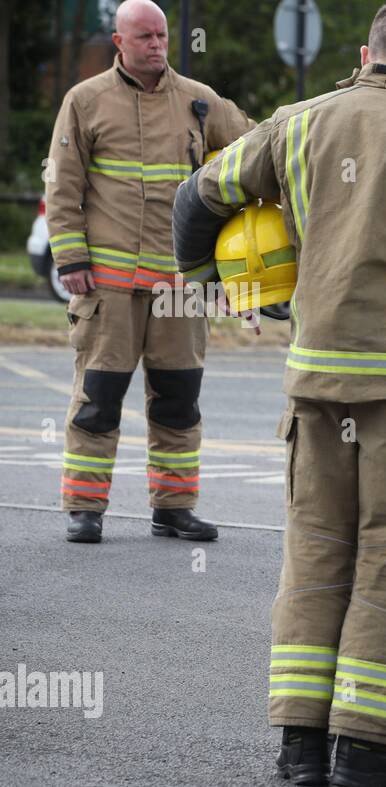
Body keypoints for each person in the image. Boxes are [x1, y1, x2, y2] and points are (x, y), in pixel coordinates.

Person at [172, 1, 386, 787]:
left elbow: (194, 204)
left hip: (311, 396)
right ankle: (368, 748)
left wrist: (227, 290)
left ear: (363, 54)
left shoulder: (296, 125)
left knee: (315, 557)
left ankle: (300, 747)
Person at [47, 0, 253, 544]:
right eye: (144, 36)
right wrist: (70, 259)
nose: (157, 44)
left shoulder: (199, 102)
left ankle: (174, 508)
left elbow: (254, 149)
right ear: (119, 42)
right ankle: (85, 509)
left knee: (179, 402)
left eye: (161, 35)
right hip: (107, 285)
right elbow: (62, 187)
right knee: (98, 401)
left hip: (180, 288)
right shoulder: (84, 101)